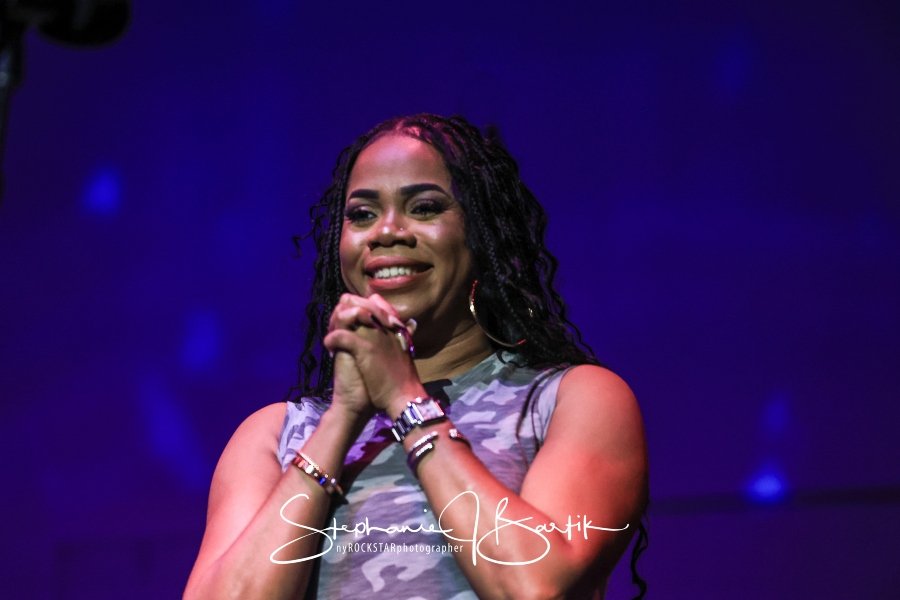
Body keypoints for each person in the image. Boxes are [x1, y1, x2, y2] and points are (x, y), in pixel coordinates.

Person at [184, 114, 648, 600]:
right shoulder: (275, 434)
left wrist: (406, 401)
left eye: (424, 208)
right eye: (362, 214)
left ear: (482, 235)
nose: (386, 232)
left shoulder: (572, 401)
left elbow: (535, 586)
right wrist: (342, 420)